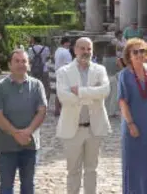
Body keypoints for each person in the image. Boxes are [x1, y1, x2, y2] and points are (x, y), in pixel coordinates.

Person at [56, 37, 110, 194]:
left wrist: (80, 91)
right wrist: (93, 95)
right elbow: (64, 97)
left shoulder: (100, 70)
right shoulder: (63, 72)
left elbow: (105, 91)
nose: (86, 52)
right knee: (73, 171)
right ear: (75, 50)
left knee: (92, 170)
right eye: (82, 48)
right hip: (73, 129)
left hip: (94, 128)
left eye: (89, 49)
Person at [0, 48, 47, 194]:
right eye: (17, 61)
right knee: (6, 187)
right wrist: (15, 133)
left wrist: (28, 131)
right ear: (10, 64)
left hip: (30, 146)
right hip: (6, 147)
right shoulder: (0, 87)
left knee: (28, 186)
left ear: (28, 64)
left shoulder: (37, 85)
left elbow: (42, 111)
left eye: (24, 61)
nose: (21, 64)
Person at [118, 37, 147, 194]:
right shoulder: (124, 75)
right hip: (133, 125)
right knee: (134, 162)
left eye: (142, 51)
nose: (139, 54)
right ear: (129, 55)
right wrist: (130, 124)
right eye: (135, 52)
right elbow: (123, 102)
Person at [28, 36, 52, 105]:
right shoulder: (46, 48)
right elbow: (48, 58)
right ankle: (45, 102)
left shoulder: (30, 49)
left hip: (34, 70)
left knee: (34, 86)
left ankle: (35, 102)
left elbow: (30, 60)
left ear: (34, 41)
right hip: (44, 69)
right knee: (46, 87)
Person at [54, 37, 74, 115]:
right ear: (65, 43)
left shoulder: (57, 50)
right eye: (69, 43)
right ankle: (64, 109)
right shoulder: (66, 52)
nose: (69, 44)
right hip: (64, 74)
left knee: (58, 91)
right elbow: (68, 65)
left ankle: (57, 109)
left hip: (58, 72)